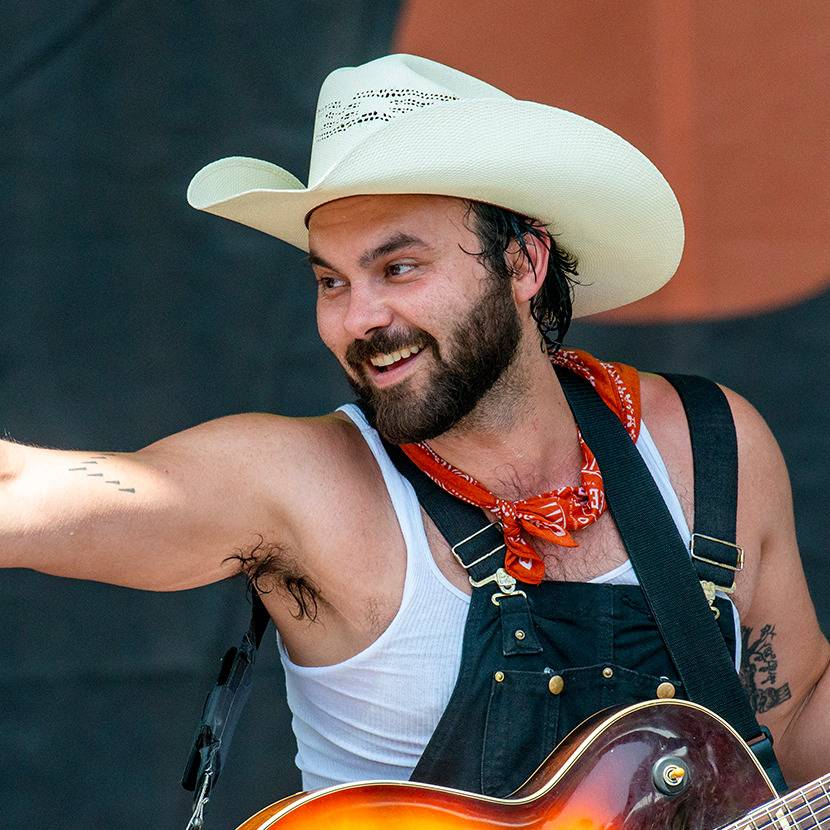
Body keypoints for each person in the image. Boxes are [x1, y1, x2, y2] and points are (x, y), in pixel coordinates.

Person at [2, 54, 828, 796]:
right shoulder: (299, 487)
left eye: (399, 267)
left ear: (524, 262)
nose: (359, 318)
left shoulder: (712, 445)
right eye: (331, 281)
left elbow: (794, 725)